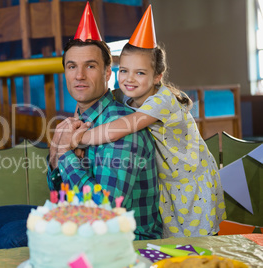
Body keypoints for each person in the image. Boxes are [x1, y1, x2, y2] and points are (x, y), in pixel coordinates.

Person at [0, 3, 162, 249]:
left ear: (108, 72)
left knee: (13, 236)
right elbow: (61, 193)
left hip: (123, 237)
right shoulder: (75, 120)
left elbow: (105, 211)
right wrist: (55, 161)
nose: (79, 76)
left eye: (90, 66)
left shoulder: (122, 128)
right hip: (80, 216)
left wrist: (64, 155)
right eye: (72, 66)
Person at [76, 6, 226, 238]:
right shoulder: (128, 95)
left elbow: (120, 129)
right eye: (123, 70)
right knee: (173, 244)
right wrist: (79, 119)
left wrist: (80, 137)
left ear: (157, 76)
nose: (129, 79)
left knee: (196, 243)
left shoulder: (162, 100)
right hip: (167, 181)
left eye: (140, 73)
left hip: (189, 183)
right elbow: (100, 101)